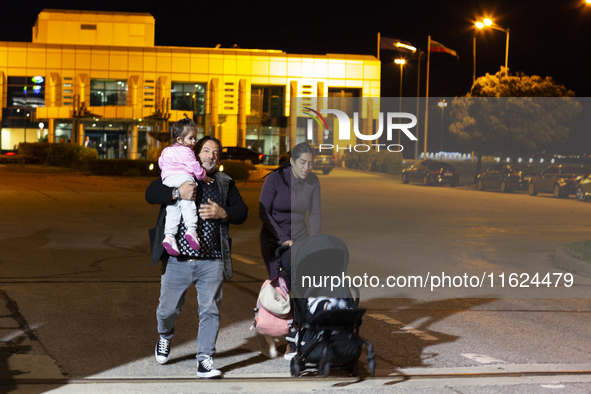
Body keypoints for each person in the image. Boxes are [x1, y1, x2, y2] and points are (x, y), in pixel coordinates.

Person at [145, 135, 248, 379]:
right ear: (196, 153)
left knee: (210, 310)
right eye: (206, 151)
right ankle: (165, 336)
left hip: (212, 259)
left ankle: (205, 360)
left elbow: (242, 212)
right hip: (177, 259)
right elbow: (150, 194)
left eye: (216, 153)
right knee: (166, 311)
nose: (211, 156)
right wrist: (175, 192)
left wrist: (223, 212)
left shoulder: (224, 182)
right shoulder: (180, 174)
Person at [258, 142, 321, 358]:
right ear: (292, 161)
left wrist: (317, 241)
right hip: (274, 239)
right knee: (280, 292)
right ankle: (271, 331)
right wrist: (283, 239)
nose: (307, 168)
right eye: (303, 162)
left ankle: (297, 338)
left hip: (300, 239)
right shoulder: (275, 179)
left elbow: (314, 213)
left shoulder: (313, 182)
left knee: (302, 287)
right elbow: (263, 211)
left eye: (311, 164)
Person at [158, 119, 208, 256]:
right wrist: (203, 176)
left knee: (172, 209)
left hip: (168, 180)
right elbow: (195, 167)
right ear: (179, 139)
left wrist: (168, 173)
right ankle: (191, 229)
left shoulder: (166, 150)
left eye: (195, 138)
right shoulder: (186, 152)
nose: (193, 141)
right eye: (191, 138)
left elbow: (160, 163)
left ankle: (169, 236)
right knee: (188, 204)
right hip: (183, 178)